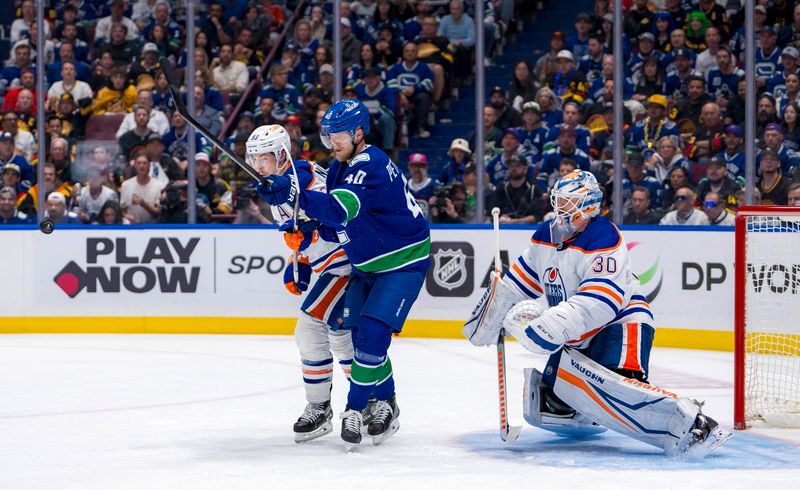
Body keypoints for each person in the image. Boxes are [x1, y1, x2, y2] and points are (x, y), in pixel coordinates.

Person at [464, 169, 729, 459]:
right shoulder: (544, 237)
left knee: (613, 391)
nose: (559, 208)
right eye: (558, 201)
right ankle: (585, 411)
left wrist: (547, 325)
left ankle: (695, 425)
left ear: (587, 206)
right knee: (552, 400)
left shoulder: (603, 237)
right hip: (578, 335)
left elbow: (600, 302)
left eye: (567, 202)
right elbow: (516, 285)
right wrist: (489, 316)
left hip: (620, 325)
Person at [255, 100, 431, 447]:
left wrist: (299, 204)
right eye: (255, 159)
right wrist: (302, 257)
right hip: (351, 262)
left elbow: (334, 212)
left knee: (343, 336)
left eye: (265, 158)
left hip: (355, 265)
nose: (259, 166)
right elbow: (327, 228)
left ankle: (372, 403)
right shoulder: (337, 167)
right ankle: (348, 404)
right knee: (322, 333)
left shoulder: (327, 173)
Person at [491, 154, 547, 225]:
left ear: (525, 169)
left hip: (528, 227)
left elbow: (537, 216)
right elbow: (494, 211)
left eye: (517, 165)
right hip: (505, 226)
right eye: (511, 166)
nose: (513, 169)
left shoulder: (533, 188)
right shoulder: (502, 187)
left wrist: (514, 221)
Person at [120, 153, 165, 224]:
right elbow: (122, 210)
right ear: (135, 165)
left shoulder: (159, 185)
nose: (142, 166)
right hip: (132, 225)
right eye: (139, 163)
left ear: (149, 166)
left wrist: (143, 204)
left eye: (145, 163)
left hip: (152, 225)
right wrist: (127, 216)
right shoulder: (126, 185)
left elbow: (158, 213)